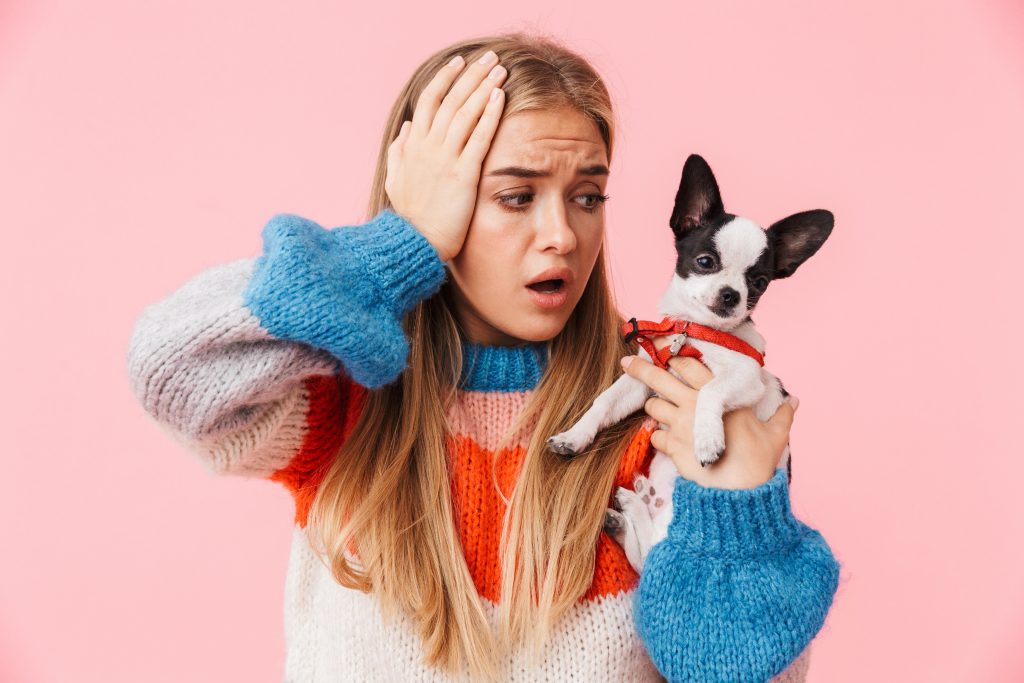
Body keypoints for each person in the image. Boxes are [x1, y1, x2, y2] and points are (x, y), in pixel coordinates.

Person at [126, 31, 840, 683]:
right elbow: (172, 371)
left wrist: (741, 511)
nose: (561, 233)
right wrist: (399, 245)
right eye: (515, 194)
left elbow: (737, 670)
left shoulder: (665, 403)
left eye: (587, 194)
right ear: (435, 198)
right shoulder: (342, 396)